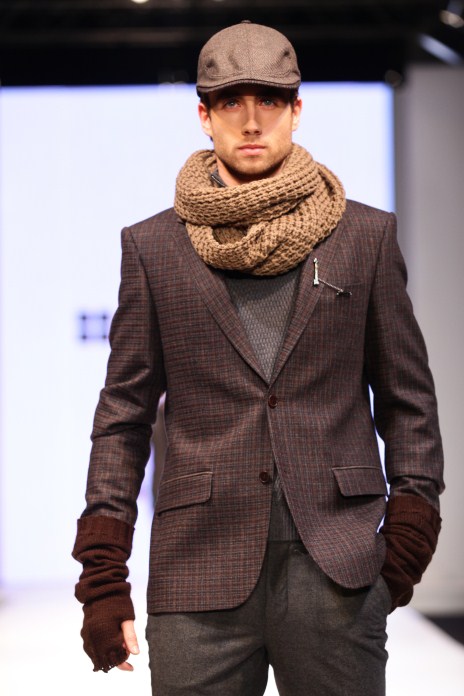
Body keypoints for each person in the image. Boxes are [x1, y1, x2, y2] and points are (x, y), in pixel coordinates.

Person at [72, 20, 444, 696]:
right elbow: (123, 417)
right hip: (196, 576)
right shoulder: (153, 249)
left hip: (338, 571)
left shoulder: (364, 237)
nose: (250, 120)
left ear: (296, 110)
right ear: (204, 115)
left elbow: (408, 401)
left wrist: (408, 538)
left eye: (269, 100)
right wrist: (103, 580)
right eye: (230, 102)